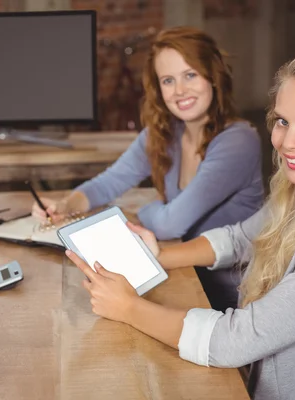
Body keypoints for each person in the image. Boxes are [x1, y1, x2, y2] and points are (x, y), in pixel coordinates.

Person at [66, 50, 295, 399]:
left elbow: (234, 342)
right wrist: (157, 255)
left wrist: (129, 308)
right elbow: (239, 239)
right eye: (283, 121)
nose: (288, 142)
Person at [33, 27, 264, 311]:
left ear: (213, 77)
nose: (180, 91)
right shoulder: (163, 133)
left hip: (230, 296)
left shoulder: (238, 141)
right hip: (177, 272)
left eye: (190, 75)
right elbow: (110, 182)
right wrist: (65, 205)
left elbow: (170, 224)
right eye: (168, 80)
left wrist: (145, 210)